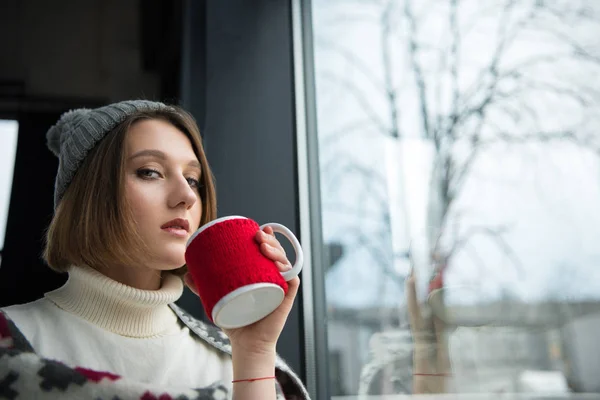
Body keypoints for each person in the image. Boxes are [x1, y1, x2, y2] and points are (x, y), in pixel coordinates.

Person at [0, 100, 310, 400]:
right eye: (150, 171)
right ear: (89, 196)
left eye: (192, 179)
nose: (186, 195)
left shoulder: (236, 362)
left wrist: (254, 352)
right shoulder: (13, 340)